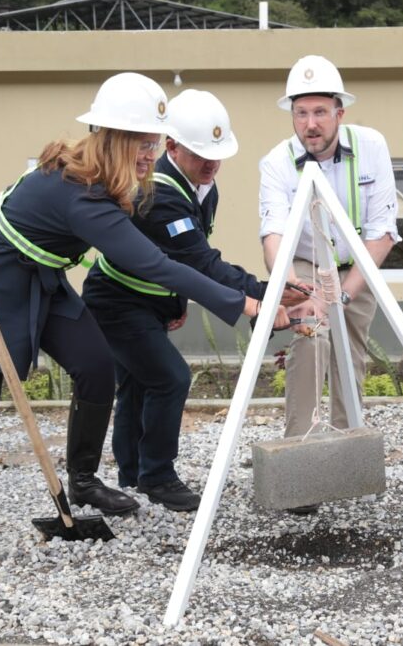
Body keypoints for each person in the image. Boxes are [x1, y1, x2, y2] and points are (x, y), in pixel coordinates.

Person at [0, 73, 288, 577]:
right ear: (114, 139)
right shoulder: (78, 192)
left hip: (41, 283)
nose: (152, 155)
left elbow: (9, 202)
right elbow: (155, 264)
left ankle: (82, 481)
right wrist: (247, 304)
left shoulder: (89, 175)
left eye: (154, 143)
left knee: (97, 366)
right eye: (144, 144)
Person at [82, 89, 306, 511]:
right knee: (170, 378)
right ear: (172, 147)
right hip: (117, 301)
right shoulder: (159, 195)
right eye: (202, 155)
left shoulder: (201, 185)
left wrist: (176, 304)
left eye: (218, 155)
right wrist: (266, 292)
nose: (212, 164)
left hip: (146, 299)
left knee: (138, 384)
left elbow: (179, 257)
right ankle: (157, 476)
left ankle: (133, 474)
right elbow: (201, 262)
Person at [258, 55, 400, 509]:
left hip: (357, 265)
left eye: (320, 112)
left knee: (349, 357)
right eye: (301, 112)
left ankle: (344, 459)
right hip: (302, 265)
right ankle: (298, 463)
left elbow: (383, 231)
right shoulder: (276, 162)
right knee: (310, 341)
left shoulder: (372, 147)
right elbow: (274, 236)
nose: (311, 124)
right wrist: (298, 293)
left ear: (340, 112)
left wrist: (344, 292)